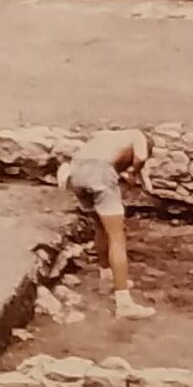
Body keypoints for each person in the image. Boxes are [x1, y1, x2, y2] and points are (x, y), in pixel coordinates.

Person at [56, 129, 155, 319]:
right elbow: (141, 157)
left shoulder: (107, 137)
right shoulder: (138, 135)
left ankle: (107, 275)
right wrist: (133, 172)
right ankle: (124, 303)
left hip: (76, 171)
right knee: (117, 235)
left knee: (100, 226)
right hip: (99, 171)